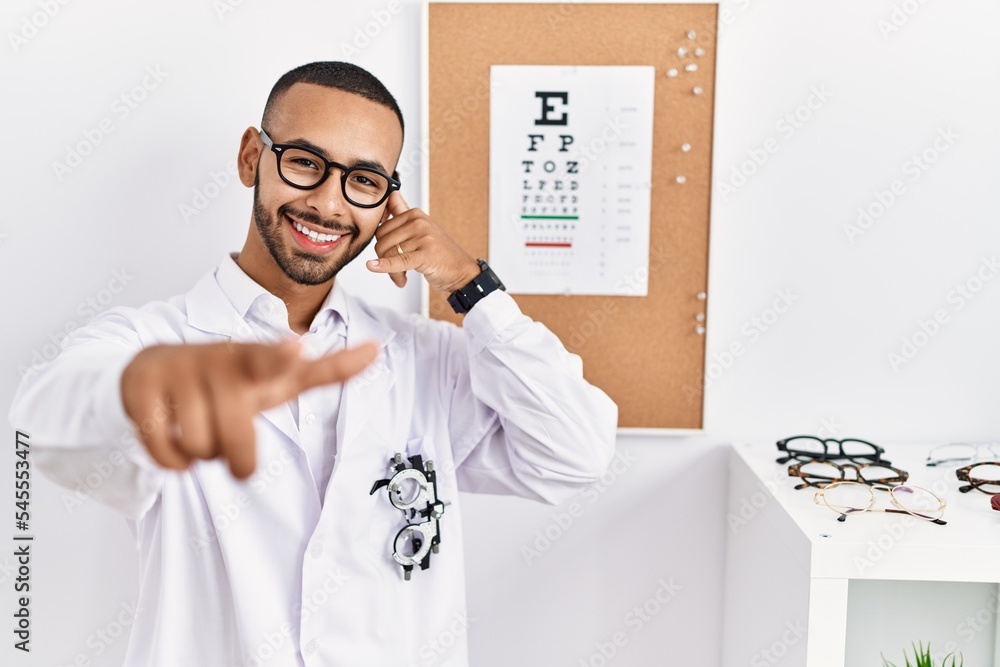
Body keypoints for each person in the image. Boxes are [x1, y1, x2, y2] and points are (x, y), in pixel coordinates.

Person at [9, 61, 617, 666]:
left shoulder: (426, 360)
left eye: (364, 180)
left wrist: (470, 287)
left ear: (388, 203)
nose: (328, 203)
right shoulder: (149, 340)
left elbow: (575, 455)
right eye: (304, 162)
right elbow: (48, 430)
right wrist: (152, 388)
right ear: (253, 157)